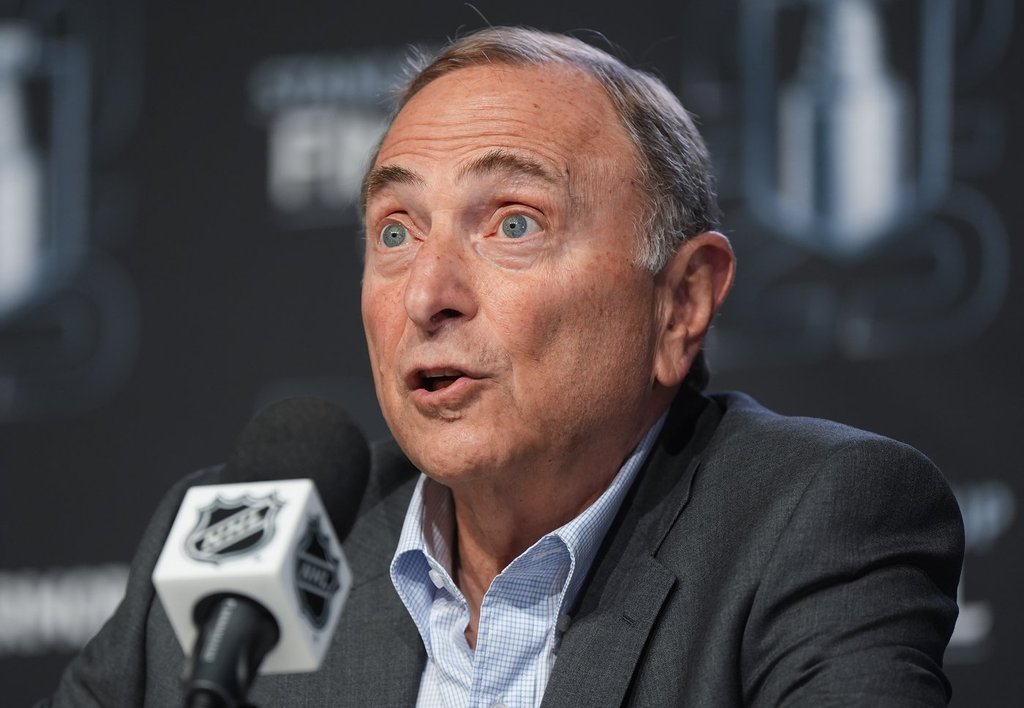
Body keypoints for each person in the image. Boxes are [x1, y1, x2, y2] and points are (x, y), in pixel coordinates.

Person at [41, 27, 963, 707]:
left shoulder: (817, 523)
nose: (426, 294)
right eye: (395, 232)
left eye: (512, 223)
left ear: (681, 302)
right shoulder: (240, 554)